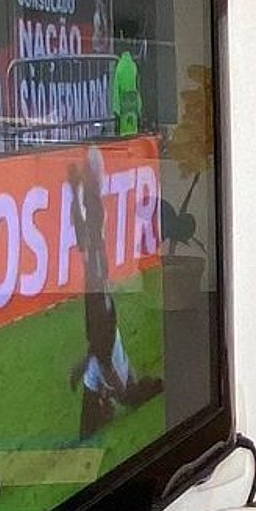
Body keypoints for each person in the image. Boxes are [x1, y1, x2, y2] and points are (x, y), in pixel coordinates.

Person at [68, 146, 160, 438]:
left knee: (125, 391)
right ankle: (106, 395)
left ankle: (108, 394)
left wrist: (85, 362)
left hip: (101, 320)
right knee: (112, 397)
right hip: (100, 319)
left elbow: (84, 234)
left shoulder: (90, 204)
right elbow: (84, 235)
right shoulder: (90, 204)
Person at [110, 39, 142, 138]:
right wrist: (139, 108)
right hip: (133, 104)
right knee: (134, 133)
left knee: (125, 135)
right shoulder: (133, 65)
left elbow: (116, 89)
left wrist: (116, 109)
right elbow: (137, 87)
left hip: (123, 105)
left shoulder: (119, 66)